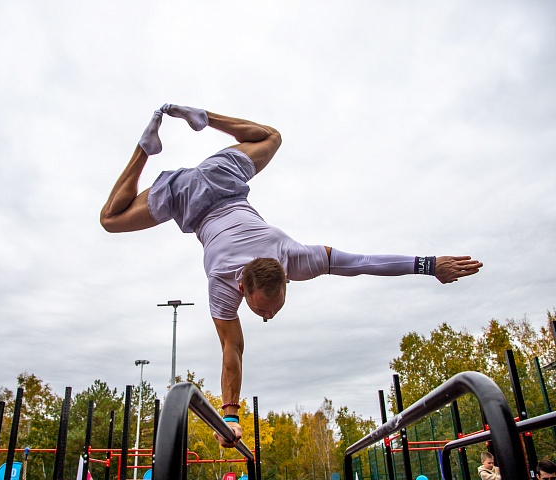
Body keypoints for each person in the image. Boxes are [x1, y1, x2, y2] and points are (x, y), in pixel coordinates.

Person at [100, 104, 483, 448]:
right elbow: (232, 349)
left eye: (274, 309)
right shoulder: (222, 281)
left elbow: (363, 261)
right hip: (192, 195)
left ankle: (156, 143)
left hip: (221, 181)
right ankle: (160, 140)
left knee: (271, 137)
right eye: (265, 310)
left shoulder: (295, 258)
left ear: (287, 277)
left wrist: (431, 265)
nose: (268, 316)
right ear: (242, 289)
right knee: (110, 221)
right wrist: (228, 415)